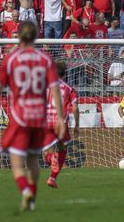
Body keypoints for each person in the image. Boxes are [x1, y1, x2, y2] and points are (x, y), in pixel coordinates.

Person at [0, 21, 64, 212]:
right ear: (37, 35)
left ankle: (25, 191)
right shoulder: (45, 59)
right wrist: (61, 118)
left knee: (16, 161)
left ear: (19, 36)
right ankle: (32, 197)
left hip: (19, 115)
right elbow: (55, 89)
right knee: (33, 159)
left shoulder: (12, 59)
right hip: (39, 115)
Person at [43, 61, 79, 189]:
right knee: (63, 149)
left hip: (45, 122)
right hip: (60, 123)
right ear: (64, 74)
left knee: (49, 151)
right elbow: (74, 108)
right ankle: (52, 177)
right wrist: (77, 125)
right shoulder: (69, 89)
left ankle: (51, 159)